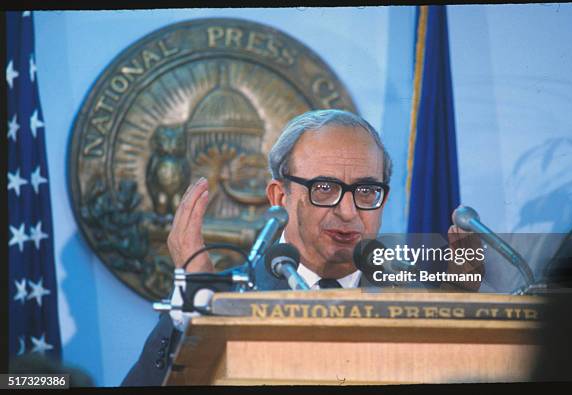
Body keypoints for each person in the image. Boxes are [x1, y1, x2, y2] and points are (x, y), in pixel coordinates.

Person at [122, 109, 484, 386]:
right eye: (324, 189)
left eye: (366, 191)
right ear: (280, 196)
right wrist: (195, 302)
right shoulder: (224, 297)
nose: (348, 212)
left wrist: (462, 309)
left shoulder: (417, 297)